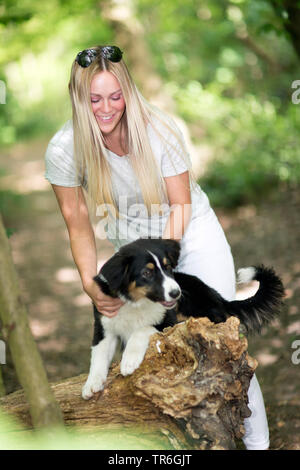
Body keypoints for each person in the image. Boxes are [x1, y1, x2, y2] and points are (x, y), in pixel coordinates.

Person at [44, 45, 269, 450]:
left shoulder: (158, 129)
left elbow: (180, 204)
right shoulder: (64, 149)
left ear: (128, 92)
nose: (107, 108)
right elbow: (78, 225)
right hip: (136, 254)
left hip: (188, 235)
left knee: (219, 336)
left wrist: (167, 270)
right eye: (95, 99)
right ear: (80, 100)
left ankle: (257, 444)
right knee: (156, 342)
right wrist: (88, 282)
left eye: (116, 96)